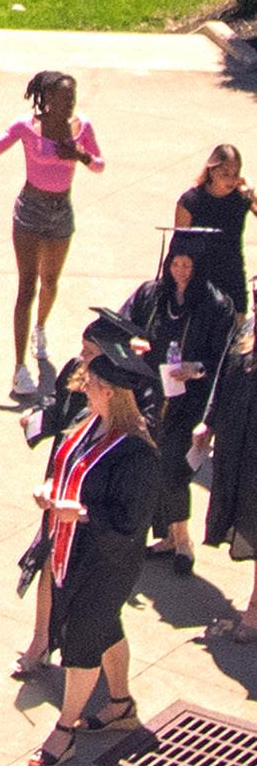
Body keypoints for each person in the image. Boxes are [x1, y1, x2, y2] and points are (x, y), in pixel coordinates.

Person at [27, 349, 163, 766]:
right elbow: (70, 471)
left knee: (83, 640)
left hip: (107, 559)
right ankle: (120, 705)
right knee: (104, 626)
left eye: (92, 384)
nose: (84, 388)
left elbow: (130, 521)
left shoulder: (136, 452)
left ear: (112, 393)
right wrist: (51, 489)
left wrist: (81, 513)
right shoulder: (90, 425)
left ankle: (64, 730)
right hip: (73, 550)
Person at [0, 68, 103, 395]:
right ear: (47, 98)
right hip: (30, 210)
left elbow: (99, 164)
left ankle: (40, 328)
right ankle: (20, 367)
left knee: (50, 281)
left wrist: (80, 155)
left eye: (73, 98)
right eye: (63, 98)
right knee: (27, 286)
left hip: (61, 211)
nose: (70, 104)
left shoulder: (82, 127)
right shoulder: (26, 126)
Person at [123, 244, 235, 568]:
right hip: (151, 395)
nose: (181, 272)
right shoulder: (153, 295)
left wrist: (195, 368)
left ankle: (183, 540)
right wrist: (133, 341)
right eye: (176, 264)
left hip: (191, 401)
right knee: (151, 464)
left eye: (188, 265)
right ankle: (169, 537)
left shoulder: (216, 304)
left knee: (173, 466)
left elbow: (223, 358)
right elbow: (124, 323)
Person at [201, 302, 257, 643]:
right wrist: (208, 423)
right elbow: (223, 380)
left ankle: (255, 607)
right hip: (239, 449)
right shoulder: (247, 329)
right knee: (248, 519)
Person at [175, 143, 250, 319]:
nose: (231, 180)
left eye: (235, 174)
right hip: (200, 280)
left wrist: (252, 195)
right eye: (225, 174)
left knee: (235, 331)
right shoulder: (191, 201)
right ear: (212, 171)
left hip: (232, 278)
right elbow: (179, 246)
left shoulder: (240, 199)